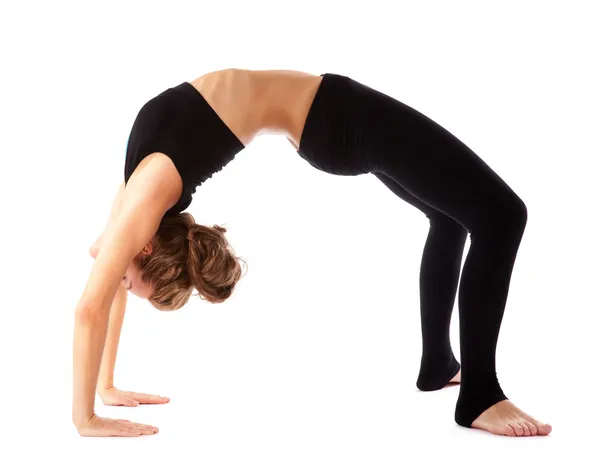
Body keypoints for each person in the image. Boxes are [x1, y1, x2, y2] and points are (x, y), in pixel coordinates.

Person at [73, 68, 552, 438]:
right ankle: (480, 397)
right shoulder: (143, 202)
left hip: (333, 117)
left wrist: (95, 402)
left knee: (456, 214)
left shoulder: (142, 200)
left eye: (129, 280)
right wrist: (95, 402)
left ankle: (438, 366)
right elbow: (103, 288)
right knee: (502, 216)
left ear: (145, 246)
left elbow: (95, 298)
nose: (118, 274)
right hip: (337, 119)